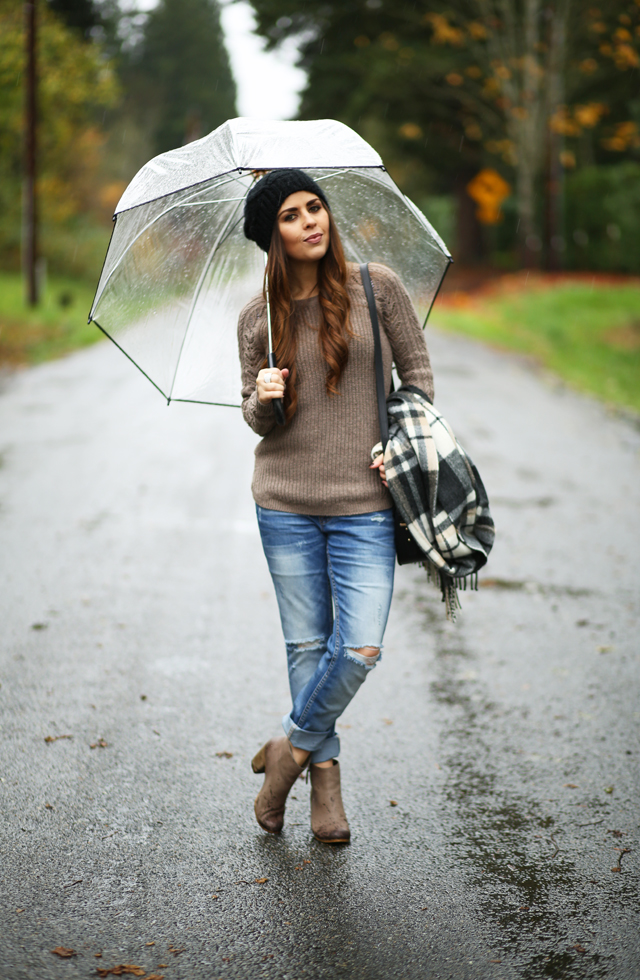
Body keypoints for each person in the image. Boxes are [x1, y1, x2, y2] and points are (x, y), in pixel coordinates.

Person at [238, 168, 434, 844]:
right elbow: (256, 420)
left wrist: (402, 437)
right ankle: (325, 784)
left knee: (359, 647)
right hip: (285, 502)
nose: (310, 222)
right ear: (273, 236)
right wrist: (261, 397)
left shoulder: (377, 288)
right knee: (305, 645)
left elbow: (420, 375)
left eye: (314, 207)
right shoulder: (256, 319)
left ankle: (286, 757)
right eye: (290, 215)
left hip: (366, 502)